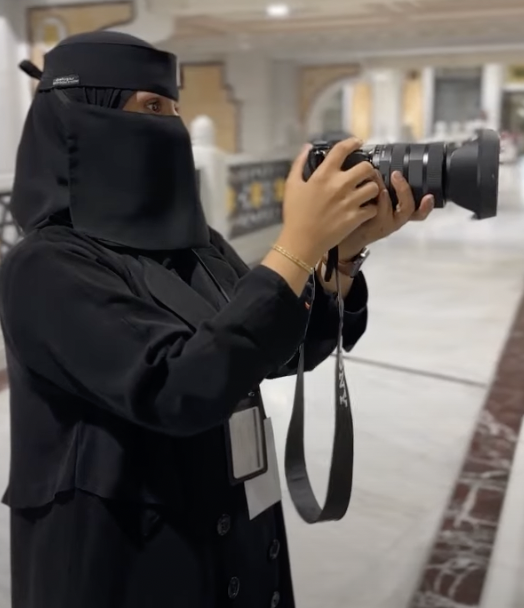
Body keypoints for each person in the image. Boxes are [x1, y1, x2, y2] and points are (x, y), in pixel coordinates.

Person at [0, 31, 433, 608]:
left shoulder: (198, 247)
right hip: (126, 559)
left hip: (235, 523)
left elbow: (269, 351)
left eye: (175, 109)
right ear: (84, 119)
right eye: (151, 108)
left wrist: (341, 258)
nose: (170, 128)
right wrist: (297, 244)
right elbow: (178, 389)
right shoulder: (46, 265)